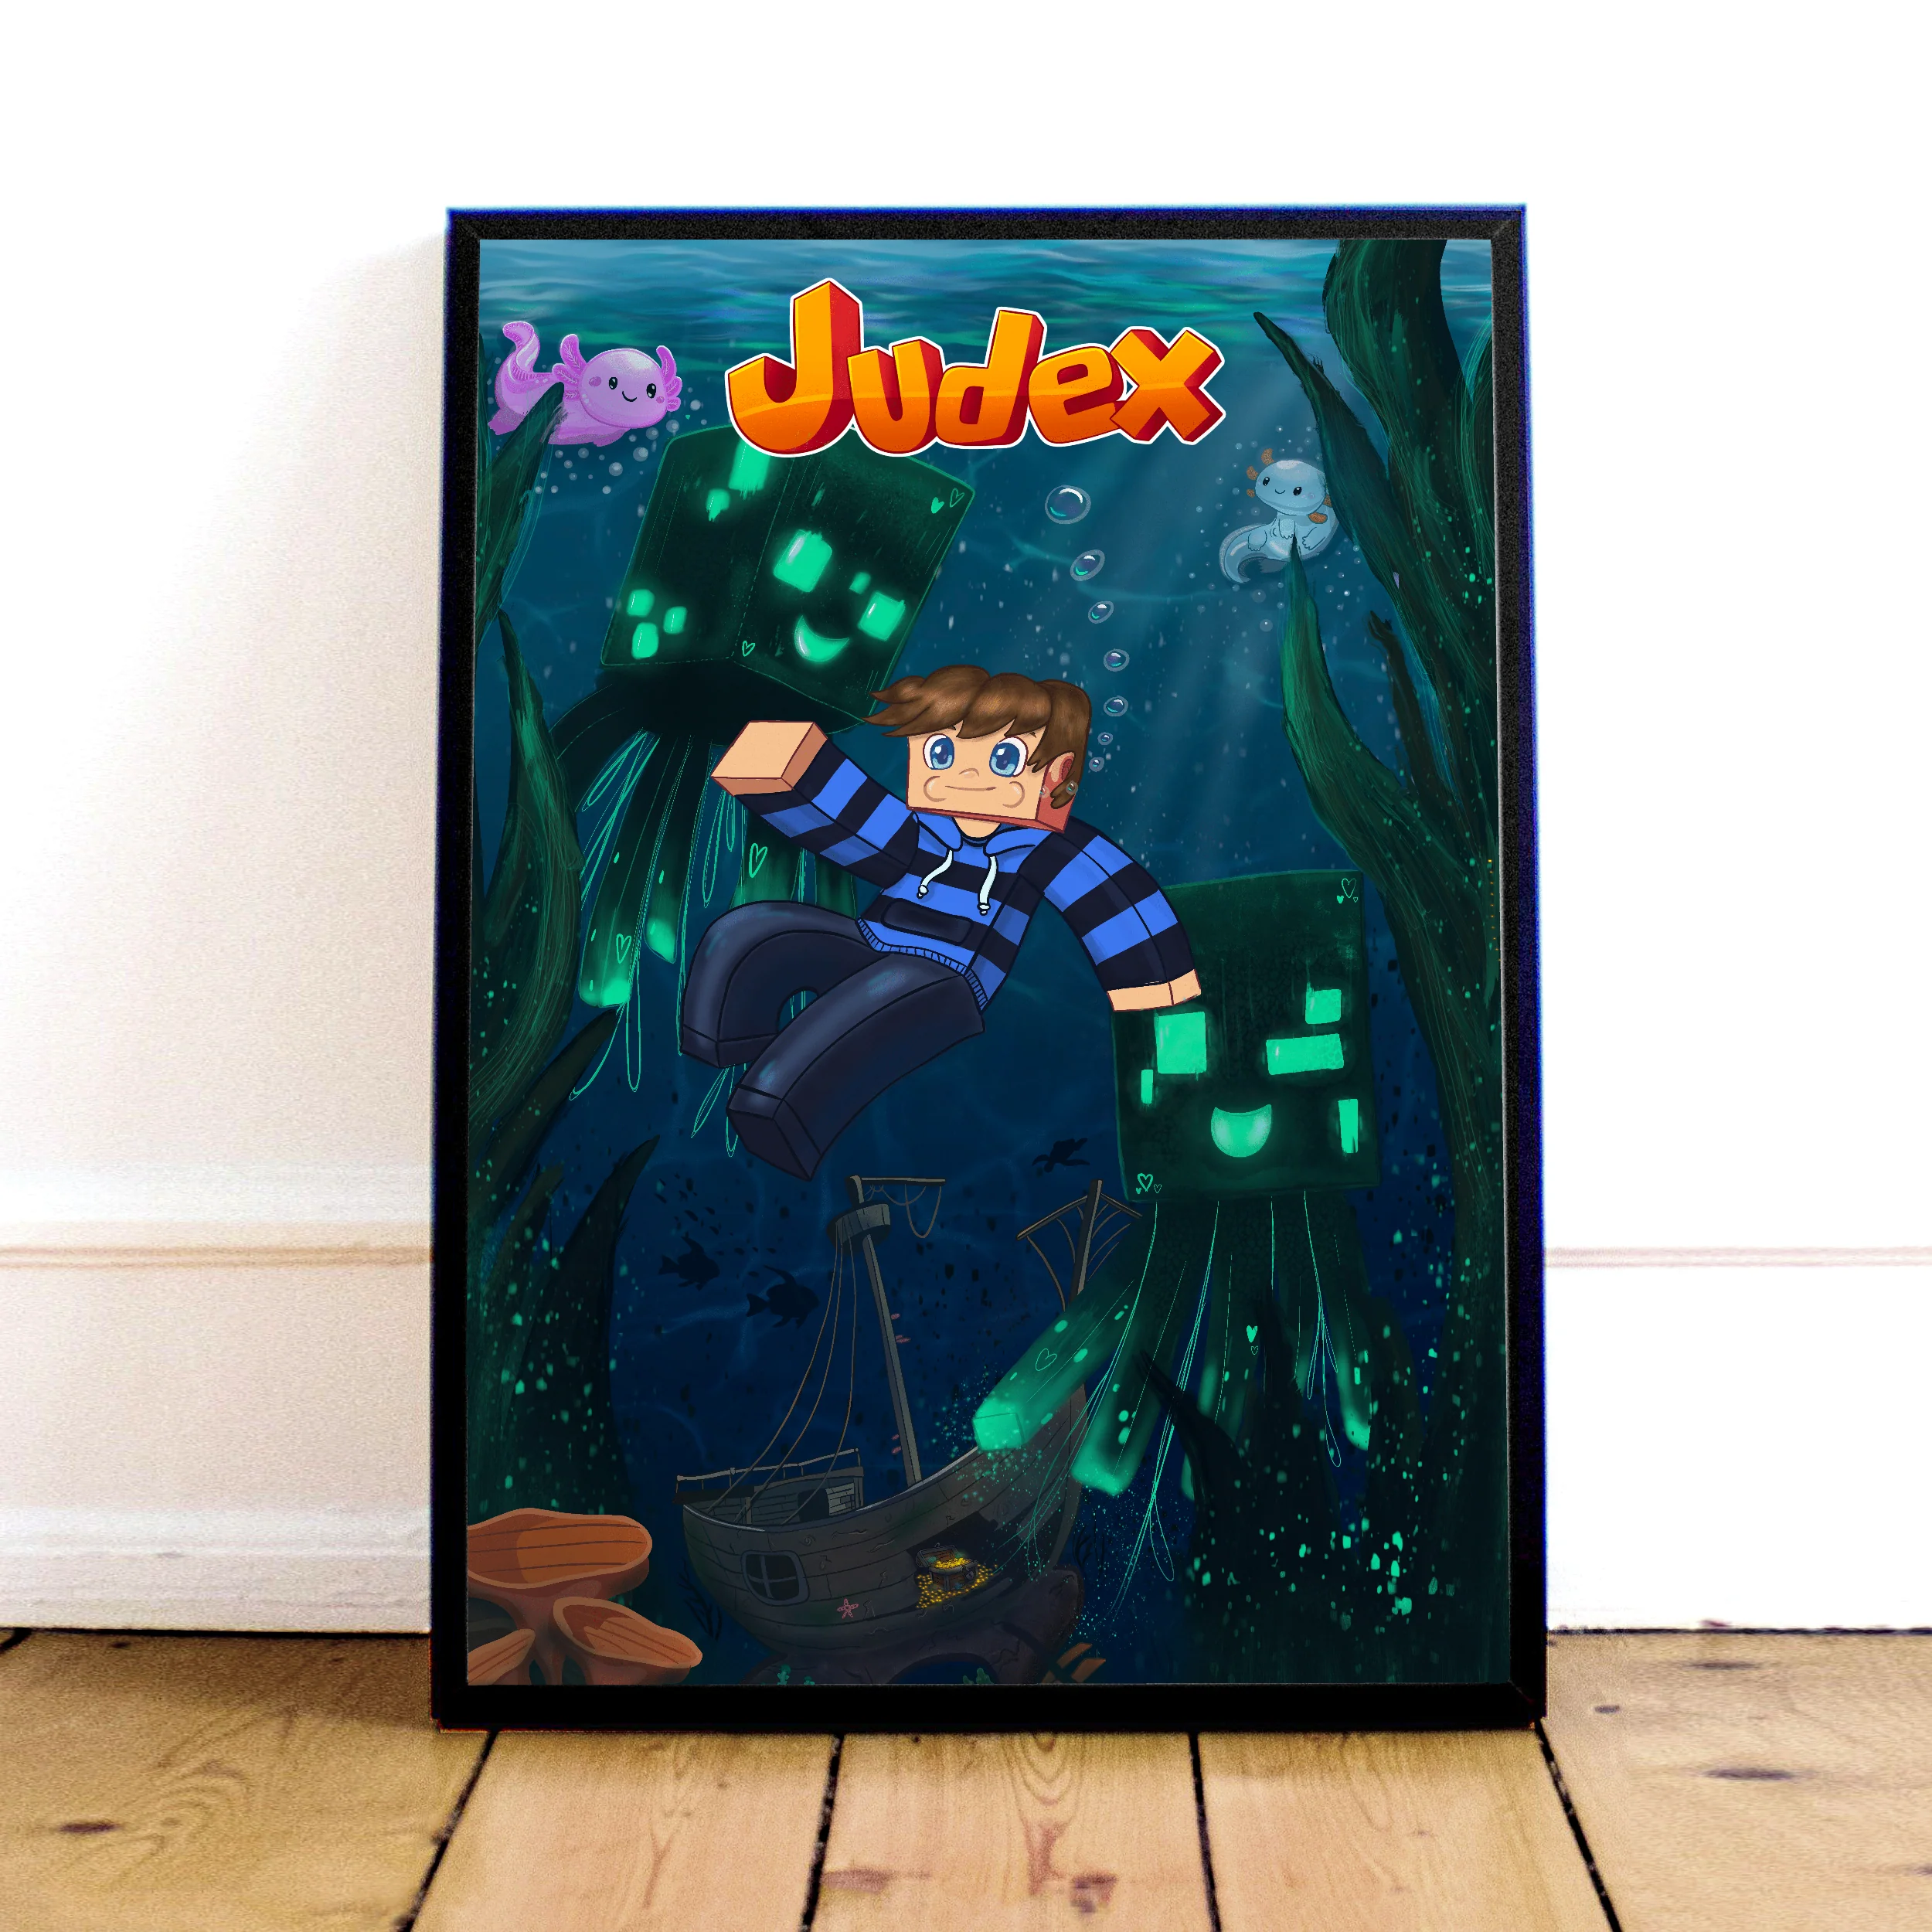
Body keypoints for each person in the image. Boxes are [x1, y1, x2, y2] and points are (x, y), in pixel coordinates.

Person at [680, 664, 1199, 1182]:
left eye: (1003, 759)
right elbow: (853, 823)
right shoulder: (925, 827)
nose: (963, 776)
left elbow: (1117, 900)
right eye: (941, 753)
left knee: (875, 997)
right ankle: (721, 1041)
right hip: (873, 942)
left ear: (1056, 774)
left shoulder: (1044, 849)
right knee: (749, 932)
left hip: (951, 977)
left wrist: (1158, 1000)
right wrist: (780, 764)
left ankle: (776, 1116)